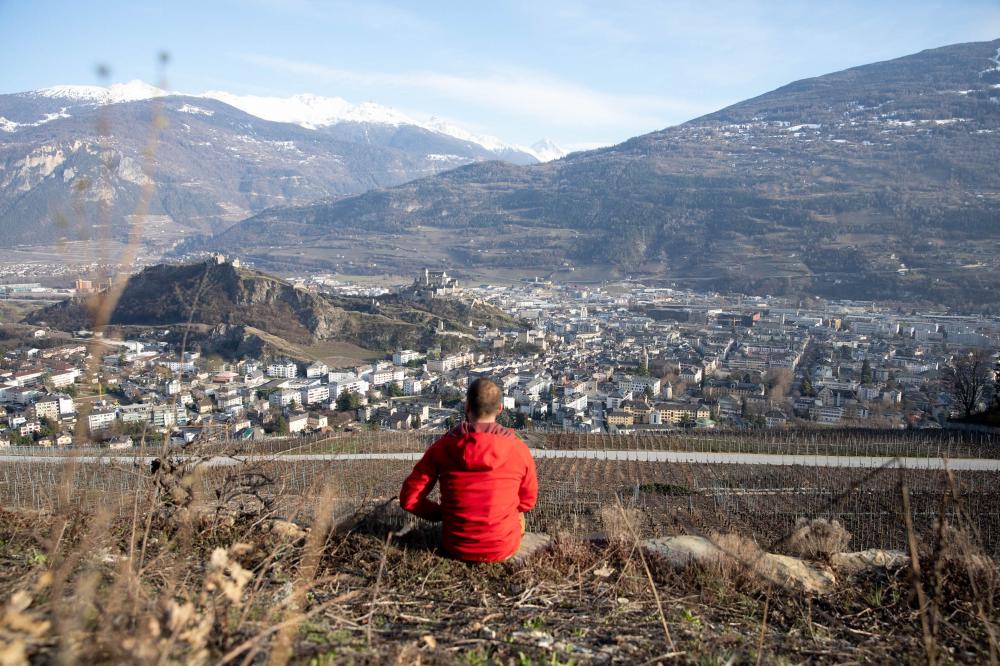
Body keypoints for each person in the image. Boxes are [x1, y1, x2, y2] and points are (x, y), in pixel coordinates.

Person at [399, 378, 538, 562]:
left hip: (456, 547)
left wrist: (441, 513)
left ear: (466, 407)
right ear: (500, 409)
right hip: (503, 548)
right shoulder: (518, 449)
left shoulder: (443, 447)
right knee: (518, 514)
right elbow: (528, 502)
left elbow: (409, 499)